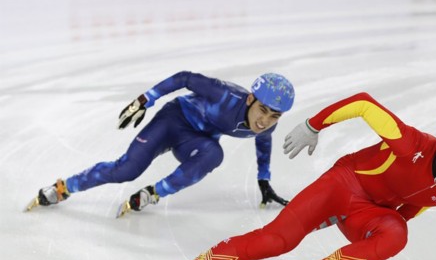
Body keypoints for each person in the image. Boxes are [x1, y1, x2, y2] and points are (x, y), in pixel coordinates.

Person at [137, 91, 436, 260]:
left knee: (398, 233)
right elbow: (363, 103)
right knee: (276, 240)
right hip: (343, 185)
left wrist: (375, 233)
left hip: (368, 211)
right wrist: (313, 125)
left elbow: (415, 204)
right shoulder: (411, 145)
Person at [31, 71, 294, 214]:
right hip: (173, 121)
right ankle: (65, 186)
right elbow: (185, 78)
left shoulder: (267, 125)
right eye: (263, 110)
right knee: (126, 170)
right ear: (250, 99)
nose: (265, 120)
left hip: (197, 140)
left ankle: (153, 193)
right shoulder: (224, 94)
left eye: (274, 115)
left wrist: (264, 179)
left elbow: (263, 143)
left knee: (214, 154)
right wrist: (145, 100)